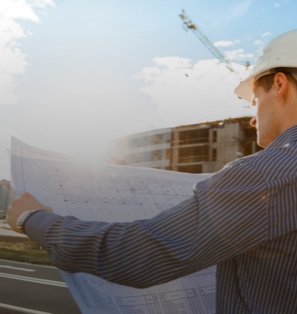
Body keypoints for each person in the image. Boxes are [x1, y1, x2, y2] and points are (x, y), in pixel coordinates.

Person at [7, 29, 297, 314]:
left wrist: (33, 219)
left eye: (255, 101)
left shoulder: (266, 175)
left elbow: (135, 256)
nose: (252, 120)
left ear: (280, 84)